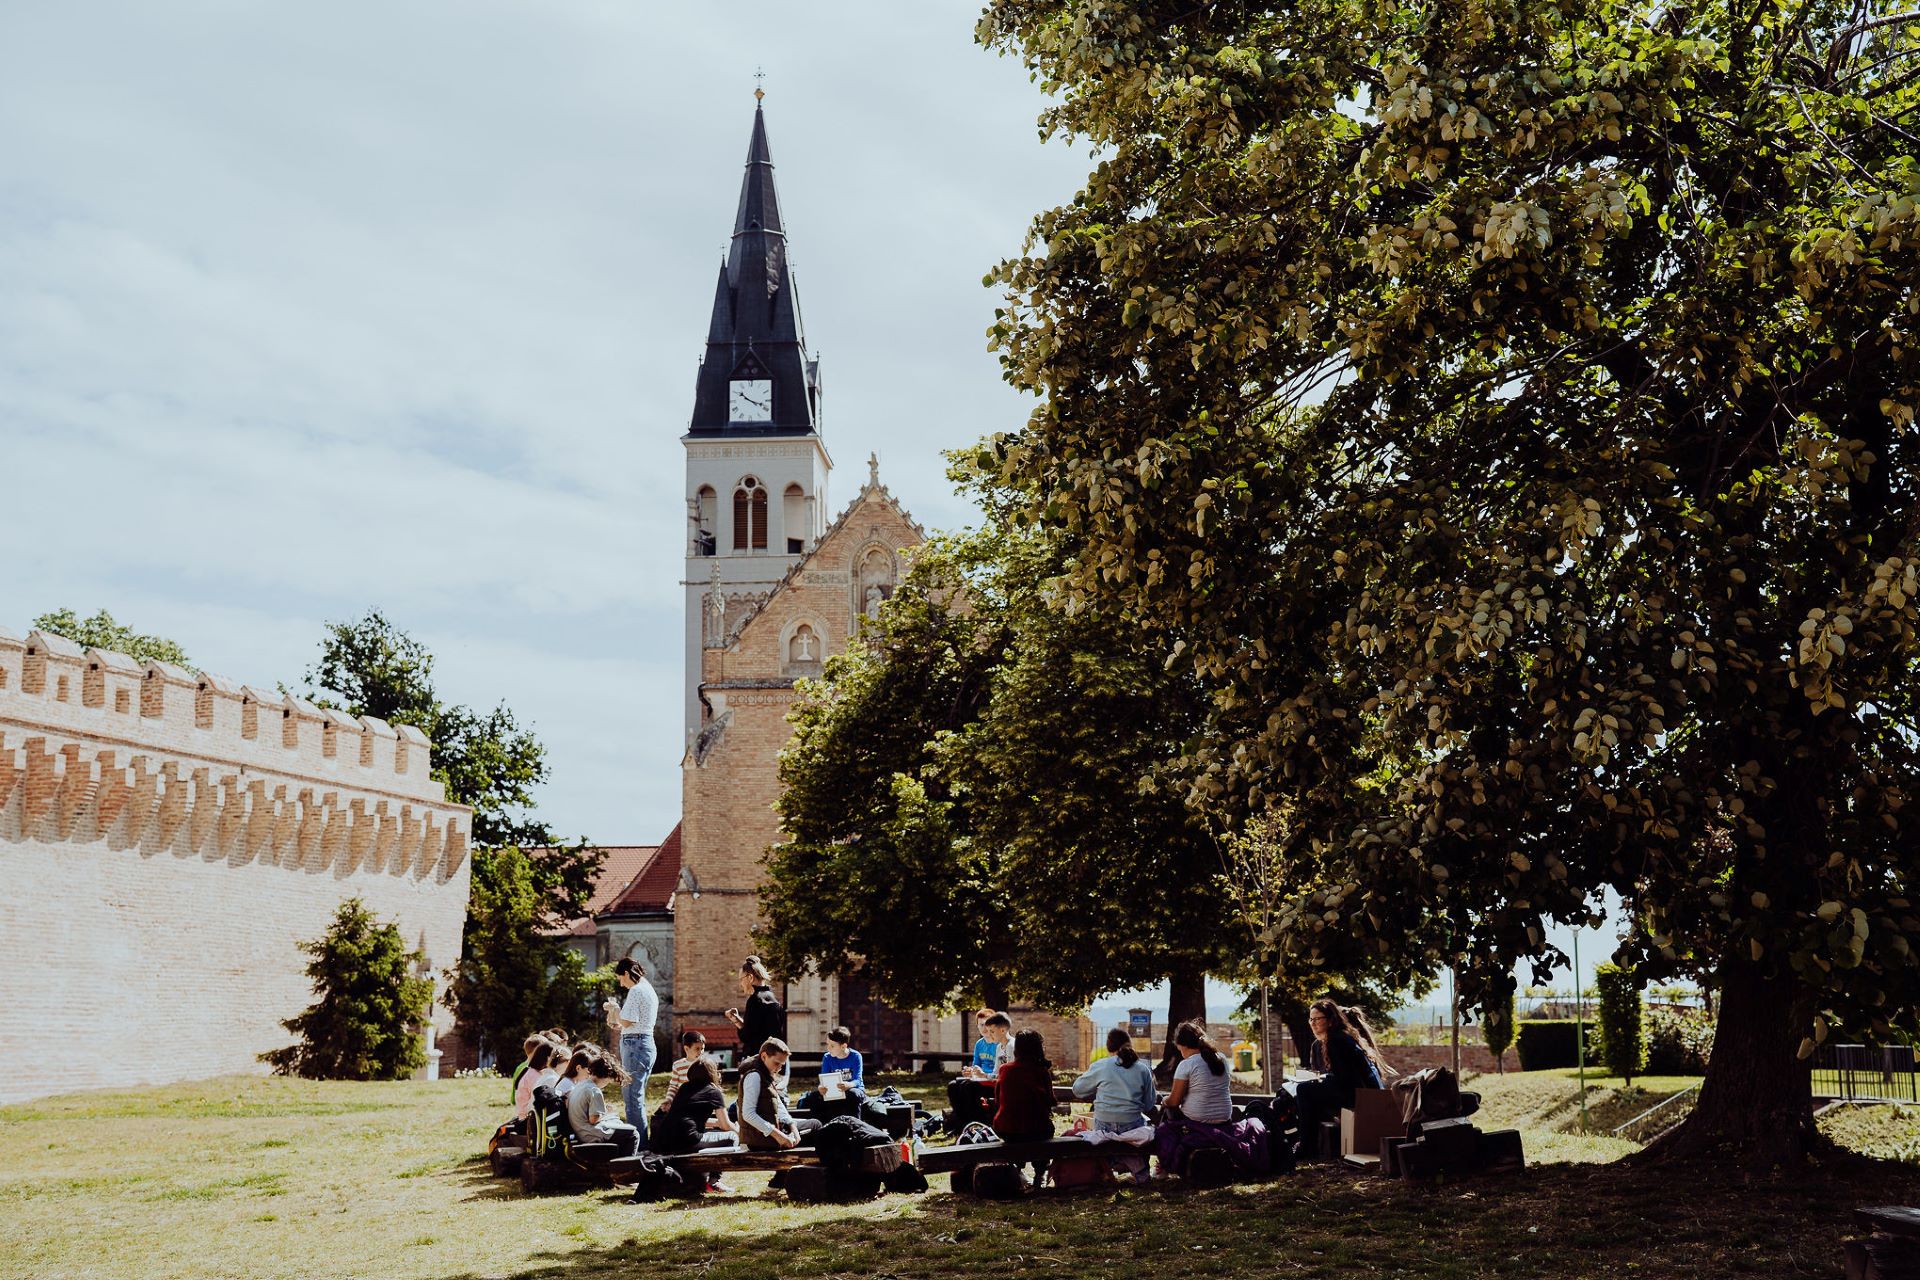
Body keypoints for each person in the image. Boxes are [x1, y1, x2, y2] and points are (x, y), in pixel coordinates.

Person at [1072, 1028, 1159, 1182]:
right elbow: (1149, 1104)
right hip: (1132, 1125)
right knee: (1141, 1123)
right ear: (1129, 1045)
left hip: (1104, 1124)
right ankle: (1139, 1169)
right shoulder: (1143, 1069)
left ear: (1108, 1047)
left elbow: (1078, 1090)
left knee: (1103, 1128)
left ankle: (1109, 1167)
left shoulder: (1101, 1066)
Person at [1293, 999, 1382, 1139]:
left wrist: (1320, 1080)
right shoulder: (1337, 1037)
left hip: (1362, 1096)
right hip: (1359, 1092)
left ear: (1330, 1020)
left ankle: (1306, 1145)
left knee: (1303, 1090)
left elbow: (1344, 1080)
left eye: (1317, 1019)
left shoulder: (1336, 1040)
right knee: (1307, 1090)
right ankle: (1313, 1142)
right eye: (1311, 1019)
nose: (1313, 1023)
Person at [602, 956, 659, 1147]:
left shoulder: (636, 990)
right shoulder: (648, 988)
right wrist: (619, 1022)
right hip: (644, 1043)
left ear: (627, 973)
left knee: (632, 1100)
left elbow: (627, 1021)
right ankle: (642, 1143)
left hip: (636, 1047)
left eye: (620, 978)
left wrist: (615, 1008)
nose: (621, 983)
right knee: (637, 1098)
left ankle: (639, 1146)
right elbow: (633, 1024)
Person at [738, 1038, 820, 1151]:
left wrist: (793, 1127)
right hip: (758, 1139)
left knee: (814, 1124)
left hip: (771, 1131)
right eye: (776, 1063)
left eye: (782, 1065)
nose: (779, 1068)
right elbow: (748, 1114)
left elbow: (778, 1105)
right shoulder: (754, 1076)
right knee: (815, 1126)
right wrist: (779, 1136)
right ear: (764, 1056)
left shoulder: (765, 1075)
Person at [650, 1055, 734, 1155]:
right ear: (713, 1074)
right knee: (733, 1137)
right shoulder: (713, 1092)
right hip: (688, 1141)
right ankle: (715, 1170)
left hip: (665, 1141)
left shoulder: (684, 1087)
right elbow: (726, 1125)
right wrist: (740, 1132)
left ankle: (707, 1171)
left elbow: (688, 1118)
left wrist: (716, 1123)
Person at [948, 1011, 1012, 1130]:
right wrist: (970, 1071)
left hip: (992, 1080)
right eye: (981, 1025)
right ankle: (960, 1121)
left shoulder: (1001, 1044)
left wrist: (983, 1075)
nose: (985, 1028)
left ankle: (977, 1122)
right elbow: (976, 1065)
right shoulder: (981, 1044)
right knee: (953, 1086)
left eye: (987, 1025)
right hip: (983, 1078)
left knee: (967, 1087)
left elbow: (1000, 1073)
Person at [566, 1052, 639, 1157]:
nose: (606, 1084)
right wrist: (606, 1112)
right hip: (588, 1133)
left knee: (618, 1124)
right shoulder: (594, 1090)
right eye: (608, 1081)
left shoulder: (581, 1085)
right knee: (633, 1134)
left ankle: (618, 1161)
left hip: (579, 1130)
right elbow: (593, 1119)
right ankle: (625, 1166)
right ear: (606, 1076)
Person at [992, 1029, 1056, 1143]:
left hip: (1006, 1128)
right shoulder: (1041, 1071)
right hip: (1035, 1128)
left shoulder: (1004, 1069)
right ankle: (1040, 1161)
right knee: (1047, 1130)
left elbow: (998, 1100)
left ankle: (1017, 1160)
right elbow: (1050, 1101)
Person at [1163, 1020, 1233, 1125]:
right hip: (1224, 1117)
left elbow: (1174, 1102)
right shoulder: (1222, 1058)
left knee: (1167, 1113)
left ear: (1182, 1045)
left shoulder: (1187, 1064)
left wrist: (1165, 1100)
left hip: (1195, 1118)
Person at [796, 1025, 866, 1120]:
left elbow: (857, 1080)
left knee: (853, 1095)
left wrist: (848, 1085)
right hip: (834, 1091)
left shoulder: (855, 1056)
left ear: (843, 1046)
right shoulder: (827, 1057)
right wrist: (821, 1087)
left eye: (832, 1046)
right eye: (827, 1044)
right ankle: (821, 1128)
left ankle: (855, 1126)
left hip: (853, 1090)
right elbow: (824, 1078)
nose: (828, 1048)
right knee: (814, 1098)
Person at [724, 956, 786, 1060]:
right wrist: (736, 1018)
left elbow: (747, 1036)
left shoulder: (754, 1001)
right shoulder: (773, 998)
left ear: (750, 977)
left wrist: (734, 1020)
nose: (741, 984)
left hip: (757, 1058)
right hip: (773, 1058)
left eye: (741, 979)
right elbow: (757, 1029)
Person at [513, 1038, 562, 1122]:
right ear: (547, 1059)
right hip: (526, 1119)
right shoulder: (535, 1076)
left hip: (526, 1117)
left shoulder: (531, 1071)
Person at [659, 1029, 708, 1111]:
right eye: (697, 1049)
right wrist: (668, 1100)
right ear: (686, 1049)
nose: (701, 1052)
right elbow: (674, 1086)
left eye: (702, 1048)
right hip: (683, 1101)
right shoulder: (678, 1065)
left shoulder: (705, 1064)